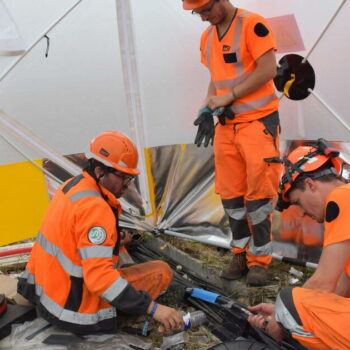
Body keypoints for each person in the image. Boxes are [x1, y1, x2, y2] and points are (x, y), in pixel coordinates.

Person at [18, 131, 183, 334]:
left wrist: (115, 239)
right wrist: (153, 308)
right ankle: (122, 314)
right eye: (122, 176)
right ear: (99, 171)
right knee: (162, 271)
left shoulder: (72, 186)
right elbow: (99, 278)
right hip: (74, 309)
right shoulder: (97, 209)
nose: (127, 184)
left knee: (119, 247)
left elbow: (73, 235)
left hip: (45, 292)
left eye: (130, 177)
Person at [182, 0, 281, 285]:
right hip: (226, 124)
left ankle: (260, 261)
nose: (203, 18)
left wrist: (229, 96)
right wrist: (206, 107)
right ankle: (240, 253)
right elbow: (217, 79)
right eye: (197, 13)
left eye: (205, 10)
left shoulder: (253, 24)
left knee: (259, 195)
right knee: (231, 196)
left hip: (258, 123)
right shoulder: (208, 36)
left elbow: (267, 70)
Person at [248, 139, 350, 349]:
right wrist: (281, 314)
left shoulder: (342, 198)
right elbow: (341, 288)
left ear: (311, 185)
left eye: (298, 202)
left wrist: (282, 317)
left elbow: (323, 284)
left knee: (290, 299)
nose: (302, 213)